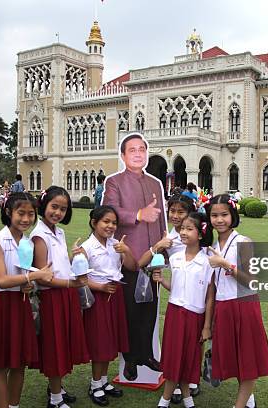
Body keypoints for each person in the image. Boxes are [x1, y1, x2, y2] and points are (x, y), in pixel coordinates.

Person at [0, 192, 54, 408]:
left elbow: (22, 276)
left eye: (31, 214)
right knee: (1, 365)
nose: (26, 219)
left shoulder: (26, 242)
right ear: (8, 212)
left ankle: (14, 405)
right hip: (0, 305)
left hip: (20, 303)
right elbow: (1, 280)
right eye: (21, 213)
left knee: (20, 363)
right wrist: (35, 276)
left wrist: (28, 284)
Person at [102, 133, 167, 381]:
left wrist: (164, 253)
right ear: (123, 156)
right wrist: (139, 213)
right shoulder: (114, 182)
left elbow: (160, 218)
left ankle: (147, 355)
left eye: (142, 149)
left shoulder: (154, 183)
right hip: (128, 256)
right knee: (130, 310)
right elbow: (110, 211)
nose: (138, 153)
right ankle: (129, 359)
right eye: (132, 150)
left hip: (153, 257)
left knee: (150, 308)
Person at [206, 194, 268, 408]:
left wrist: (225, 264)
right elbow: (212, 287)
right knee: (235, 356)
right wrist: (209, 322)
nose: (219, 220)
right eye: (214, 215)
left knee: (248, 357)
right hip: (223, 306)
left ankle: (240, 404)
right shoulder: (212, 245)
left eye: (224, 214)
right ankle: (247, 396)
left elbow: (251, 281)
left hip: (244, 305)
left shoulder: (243, 242)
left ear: (232, 215)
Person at [30, 187, 89, 408]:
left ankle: (57, 389)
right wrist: (69, 283)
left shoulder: (58, 232)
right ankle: (55, 399)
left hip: (65, 295)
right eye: (54, 207)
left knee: (63, 344)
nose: (58, 212)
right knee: (55, 346)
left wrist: (74, 257)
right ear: (43, 205)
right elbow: (42, 277)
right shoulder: (39, 236)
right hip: (52, 298)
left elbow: (60, 265)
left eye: (63, 209)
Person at [137, 194, 198, 403]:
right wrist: (159, 245)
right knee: (178, 342)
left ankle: (191, 380)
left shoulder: (198, 235)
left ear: (190, 213)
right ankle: (180, 384)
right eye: (172, 211)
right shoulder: (169, 238)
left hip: (198, 294)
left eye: (181, 212)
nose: (176, 216)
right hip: (180, 297)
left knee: (196, 340)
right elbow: (141, 262)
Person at [152, 212, 215, 408]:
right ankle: (174, 399)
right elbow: (177, 287)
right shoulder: (176, 258)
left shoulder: (208, 262)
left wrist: (206, 326)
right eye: (182, 229)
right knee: (173, 357)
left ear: (201, 233)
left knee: (189, 358)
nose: (183, 232)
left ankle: (174, 398)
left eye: (189, 229)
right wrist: (163, 281)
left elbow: (209, 296)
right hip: (174, 313)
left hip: (195, 316)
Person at [78, 205, 136, 406]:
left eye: (114, 223)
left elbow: (132, 266)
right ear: (94, 223)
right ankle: (95, 384)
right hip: (98, 299)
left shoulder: (115, 245)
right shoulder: (86, 248)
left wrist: (126, 250)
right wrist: (100, 287)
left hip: (115, 296)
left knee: (111, 340)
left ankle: (103, 381)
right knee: (100, 342)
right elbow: (80, 279)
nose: (110, 226)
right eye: (106, 222)